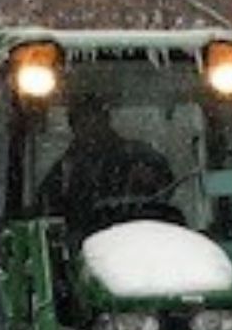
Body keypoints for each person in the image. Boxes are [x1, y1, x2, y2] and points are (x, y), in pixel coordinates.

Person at [37, 86, 176, 243]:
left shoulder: (138, 156)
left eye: (95, 120)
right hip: (83, 247)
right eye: (83, 122)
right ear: (74, 127)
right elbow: (47, 209)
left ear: (106, 121)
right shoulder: (65, 170)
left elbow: (165, 186)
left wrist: (148, 181)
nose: (91, 128)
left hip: (142, 239)